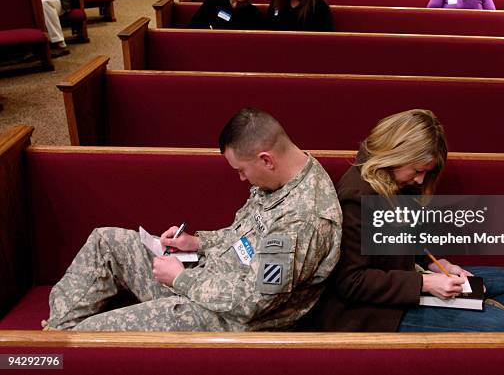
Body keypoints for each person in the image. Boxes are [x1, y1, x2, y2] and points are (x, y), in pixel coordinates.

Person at [42, 108, 342, 331]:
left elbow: (254, 301)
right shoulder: (280, 179)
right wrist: (198, 242)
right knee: (105, 241)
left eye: (241, 169)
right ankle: (54, 337)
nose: (241, 178)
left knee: (89, 336)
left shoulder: (303, 219)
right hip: (207, 278)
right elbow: (244, 239)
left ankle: (58, 351)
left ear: (266, 159)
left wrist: (181, 278)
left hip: (223, 319)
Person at [310, 109, 504, 332]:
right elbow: (351, 281)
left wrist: (436, 264)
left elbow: (406, 246)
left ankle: (463, 341)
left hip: (408, 278)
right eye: (417, 170)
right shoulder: (357, 195)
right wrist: (426, 283)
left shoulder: (398, 182)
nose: (420, 180)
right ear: (396, 155)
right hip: (373, 309)